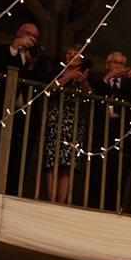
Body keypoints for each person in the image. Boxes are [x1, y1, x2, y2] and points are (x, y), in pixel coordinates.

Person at [0, 23, 49, 195]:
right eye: (27, 34)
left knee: (20, 160)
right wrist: (15, 48)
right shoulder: (2, 50)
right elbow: (2, 69)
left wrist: (30, 64)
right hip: (2, 112)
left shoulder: (40, 59)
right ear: (18, 33)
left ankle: (13, 195)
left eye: (35, 36)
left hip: (26, 117)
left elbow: (39, 83)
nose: (31, 39)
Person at [88, 51, 131, 211]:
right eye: (115, 62)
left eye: (121, 63)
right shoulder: (101, 82)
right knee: (97, 171)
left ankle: (112, 209)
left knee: (117, 173)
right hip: (101, 130)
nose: (118, 66)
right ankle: (93, 207)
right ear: (107, 65)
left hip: (122, 133)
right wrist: (107, 78)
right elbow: (93, 95)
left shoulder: (128, 85)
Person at [42, 44, 92, 204]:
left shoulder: (85, 75)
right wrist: (68, 77)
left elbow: (90, 96)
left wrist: (84, 82)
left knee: (67, 162)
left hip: (74, 121)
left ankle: (61, 200)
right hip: (56, 119)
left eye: (75, 53)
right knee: (52, 160)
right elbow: (49, 90)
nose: (71, 55)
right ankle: (51, 197)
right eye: (68, 53)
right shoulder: (56, 71)